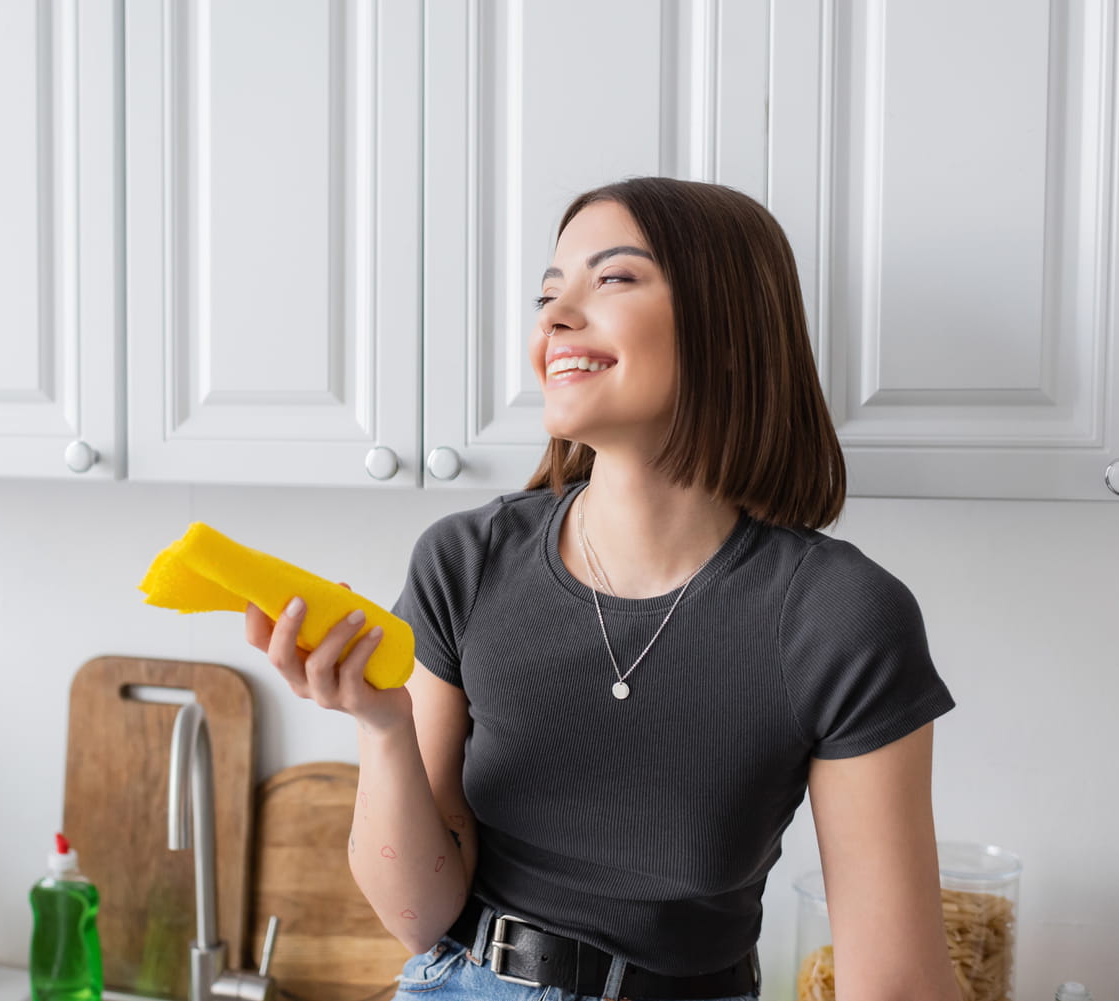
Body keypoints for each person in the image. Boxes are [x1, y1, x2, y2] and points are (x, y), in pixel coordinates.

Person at [243, 177, 961, 1001]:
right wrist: (382, 726)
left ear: (729, 332)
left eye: (612, 278)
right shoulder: (466, 562)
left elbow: (894, 980)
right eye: (550, 292)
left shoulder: (838, 617)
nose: (553, 316)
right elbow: (416, 915)